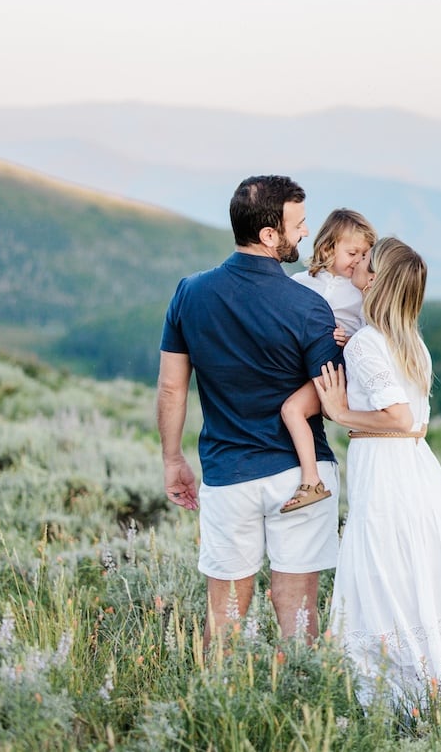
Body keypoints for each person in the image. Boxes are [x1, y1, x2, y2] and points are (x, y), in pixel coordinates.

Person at [312, 236, 441, 706]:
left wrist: (339, 412)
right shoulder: (411, 342)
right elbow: (415, 419)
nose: (356, 264)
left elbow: (397, 415)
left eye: (365, 262)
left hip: (386, 469)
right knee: (417, 573)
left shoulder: (364, 345)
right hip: (417, 467)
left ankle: (392, 697)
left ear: (374, 281)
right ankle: (438, 688)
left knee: (380, 574)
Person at [157, 175, 341, 645]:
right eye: (297, 225)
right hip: (302, 474)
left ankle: (220, 707)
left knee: (225, 614)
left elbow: (172, 389)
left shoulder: (189, 294)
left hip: (227, 472)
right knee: (298, 612)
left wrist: (172, 458)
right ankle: (301, 706)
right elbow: (332, 400)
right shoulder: (310, 306)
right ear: (268, 235)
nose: (304, 233)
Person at [279, 208, 378, 513]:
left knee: (293, 409)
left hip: (335, 369)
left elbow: (370, 330)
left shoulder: (359, 292)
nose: (359, 261)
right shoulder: (300, 282)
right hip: (305, 365)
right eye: (352, 252)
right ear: (327, 248)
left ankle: (312, 480)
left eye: (364, 255)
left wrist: (351, 339)